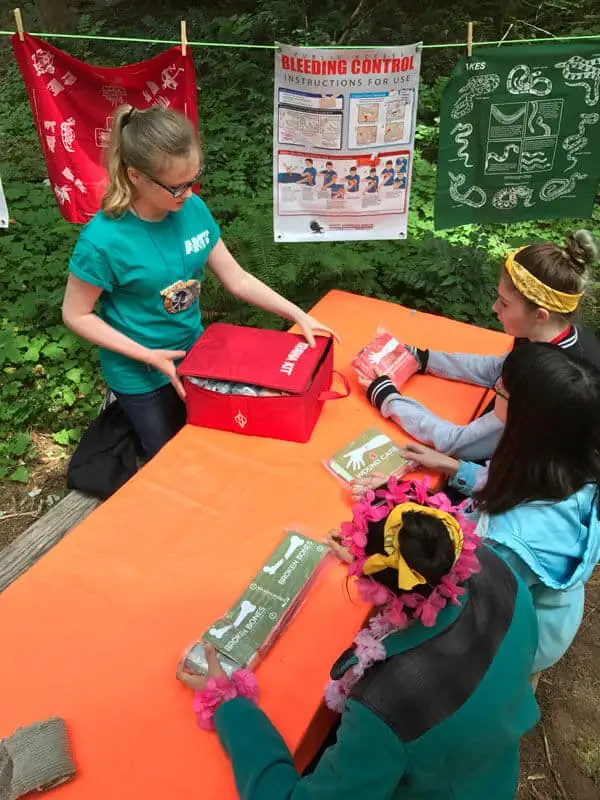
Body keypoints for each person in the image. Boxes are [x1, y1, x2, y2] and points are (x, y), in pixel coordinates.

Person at [177, 479, 539, 798]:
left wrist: (230, 707)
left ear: (374, 584)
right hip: (487, 768)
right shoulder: (497, 569)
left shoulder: (387, 707)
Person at [62, 106, 337, 458]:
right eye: (177, 187)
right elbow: (76, 314)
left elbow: (236, 277)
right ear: (135, 176)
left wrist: (297, 313)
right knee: (166, 456)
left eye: (193, 180)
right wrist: (148, 355)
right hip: (141, 373)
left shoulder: (191, 210)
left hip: (194, 357)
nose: (188, 194)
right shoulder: (102, 241)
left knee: (205, 446)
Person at [392, 343, 600, 681]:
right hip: (551, 615)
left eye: (502, 389)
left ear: (526, 421)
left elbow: (462, 600)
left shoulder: (504, 541)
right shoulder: (572, 465)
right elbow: (512, 487)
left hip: (517, 640)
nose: (496, 390)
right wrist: (453, 466)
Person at [365, 232, 600, 461]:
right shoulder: (548, 334)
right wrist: (423, 358)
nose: (494, 309)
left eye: (505, 304)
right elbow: (497, 368)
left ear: (540, 315)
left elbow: (459, 445)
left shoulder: (544, 380)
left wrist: (386, 397)